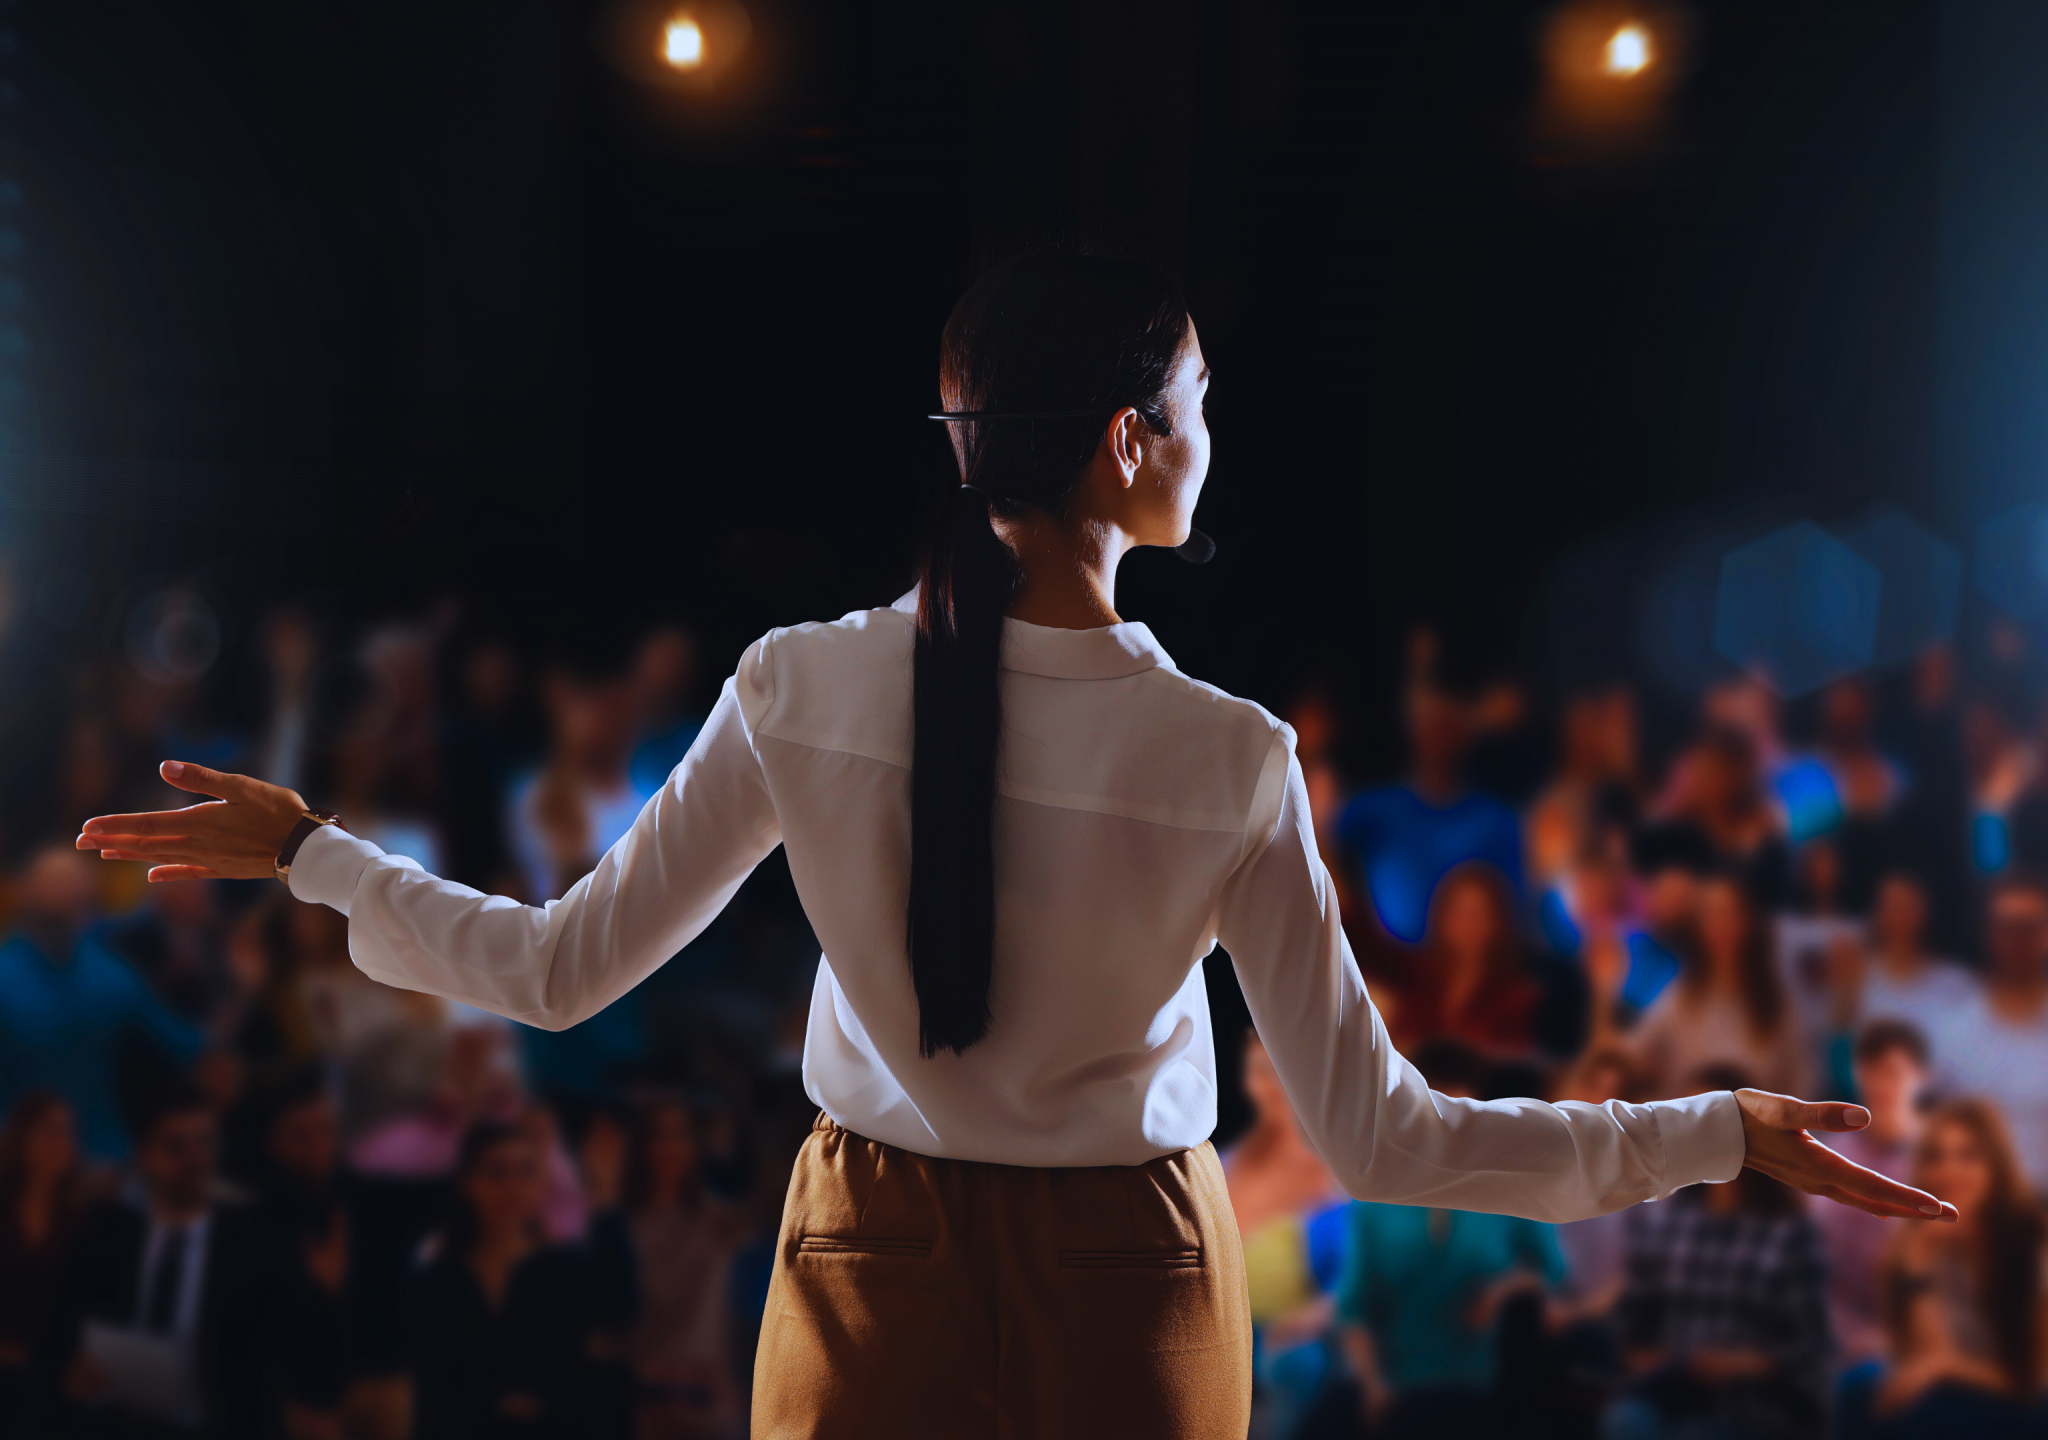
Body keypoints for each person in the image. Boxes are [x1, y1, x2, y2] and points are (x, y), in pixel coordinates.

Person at [78, 253, 1951, 1438]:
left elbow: (553, 974)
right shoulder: (1226, 757)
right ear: (1135, 442)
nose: (1214, 433)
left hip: (861, 1270)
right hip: (1128, 1287)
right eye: (1200, 403)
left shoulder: (798, 684)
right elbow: (1384, 1137)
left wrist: (317, 852)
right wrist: (1710, 1132)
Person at [1335, 1040, 1567, 1440]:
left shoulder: (1507, 1189)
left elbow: (1554, 1271)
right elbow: (1354, 1308)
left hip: (1490, 1391)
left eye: (1459, 1114)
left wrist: (1504, 1288)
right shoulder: (1374, 1202)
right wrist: (1373, 1387)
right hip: (1398, 1394)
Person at [1608, 1069, 1834, 1440]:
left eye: (1707, 1118)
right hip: (1670, 1388)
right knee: (1627, 1420)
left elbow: (1811, 1349)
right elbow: (1637, 1318)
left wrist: (1744, 1364)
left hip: (1754, 1401)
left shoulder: (1789, 1234)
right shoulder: (1670, 1220)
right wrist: (1644, 1355)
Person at [50, 1082, 277, 1439]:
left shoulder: (253, 1252)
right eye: (175, 1146)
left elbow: (265, 1376)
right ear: (144, 1155)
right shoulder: (103, 1243)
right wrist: (70, 1375)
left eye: (205, 1142)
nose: (195, 1159)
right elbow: (60, 1339)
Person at [406, 1120, 631, 1440]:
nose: (513, 1187)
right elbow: (433, 1396)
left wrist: (605, 1197)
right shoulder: (435, 1284)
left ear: (541, 1184)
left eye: (526, 1172)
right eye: (496, 1172)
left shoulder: (566, 1268)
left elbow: (619, 1309)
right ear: (467, 1183)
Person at [1844, 1099, 2048, 1438]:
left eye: (1969, 1155)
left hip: (2032, 1405)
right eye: (1936, 1157)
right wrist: (1919, 1261)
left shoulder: (2032, 1236)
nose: (1950, 1171)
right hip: (1965, 1396)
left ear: (1995, 1165)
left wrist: (1949, 1366)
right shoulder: (1919, 1238)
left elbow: (2034, 1379)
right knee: (1859, 1389)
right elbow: (1925, 1357)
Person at [0, 846, 207, 1159]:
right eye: (56, 880)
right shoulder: (8, 974)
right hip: (22, 1159)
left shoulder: (112, 975)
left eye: (72, 881)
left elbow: (187, 1046)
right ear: (26, 889)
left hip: (106, 1156)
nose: (65, 890)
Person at [1337, 656, 1526, 946]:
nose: (1436, 735)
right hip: (1383, 972)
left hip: (1470, 976)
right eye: (1429, 722)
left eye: (1447, 723)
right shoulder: (1372, 811)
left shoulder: (1497, 821)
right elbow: (1315, 852)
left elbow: (1515, 918)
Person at [608, 1097, 745, 1440]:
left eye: (680, 1135)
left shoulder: (721, 1222)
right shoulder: (618, 1226)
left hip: (706, 1393)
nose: (670, 1147)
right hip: (640, 1393)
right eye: (659, 1135)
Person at [1631, 873, 1811, 1100]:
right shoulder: (1679, 998)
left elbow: (1801, 1086)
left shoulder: (1777, 1007)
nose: (1721, 925)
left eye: (1730, 913)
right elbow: (1629, 1058)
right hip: (1686, 1131)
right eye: (1711, 915)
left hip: (1755, 1133)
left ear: (1749, 922)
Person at [1815, 1021, 1930, 1369]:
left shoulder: (1938, 1157)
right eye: (1873, 1072)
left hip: (1910, 1338)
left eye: (1894, 1073)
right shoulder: (1832, 1153)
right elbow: (1813, 1260)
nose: (1882, 1085)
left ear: (1922, 1077)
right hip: (1830, 1330)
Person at [1934, 873, 2048, 1191]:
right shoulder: (1951, 1030)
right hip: (1971, 1214)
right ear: (1990, 933)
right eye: (2006, 926)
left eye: (2029, 927)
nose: (2017, 940)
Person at [0, 1091, 91, 1435]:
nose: (59, 1142)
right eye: (48, 1130)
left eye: (67, 1133)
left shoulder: (83, 1226)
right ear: (22, 1138)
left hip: (48, 1386)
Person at [1388, 861, 1540, 1058]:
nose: (1467, 924)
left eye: (1477, 913)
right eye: (1458, 911)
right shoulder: (1415, 981)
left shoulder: (1518, 998)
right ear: (1440, 917)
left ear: (1497, 921)